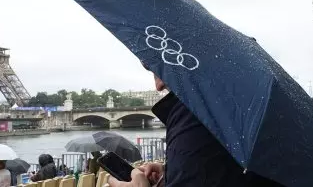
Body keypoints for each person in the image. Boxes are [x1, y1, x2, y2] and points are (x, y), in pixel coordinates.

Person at [108, 72, 283, 187]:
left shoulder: (195, 113)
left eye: (158, 68)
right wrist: (172, 173)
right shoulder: (251, 109)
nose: (158, 86)